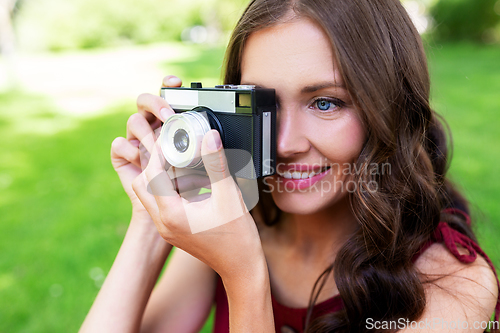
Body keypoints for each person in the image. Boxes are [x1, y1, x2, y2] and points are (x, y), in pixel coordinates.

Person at [80, 0, 500, 332]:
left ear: (389, 109)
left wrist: (244, 276)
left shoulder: (451, 286)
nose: (283, 144)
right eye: (265, 105)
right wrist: (149, 218)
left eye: (325, 102)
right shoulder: (231, 225)